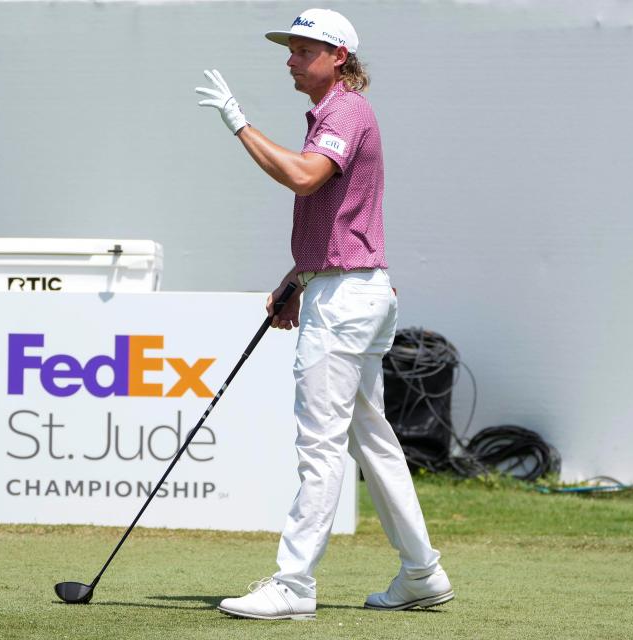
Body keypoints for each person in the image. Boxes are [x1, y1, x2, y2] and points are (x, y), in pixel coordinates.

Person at [195, 8, 454, 621]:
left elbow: (305, 179)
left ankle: (293, 585)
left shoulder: (345, 111)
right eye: (289, 48)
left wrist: (237, 122)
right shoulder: (332, 112)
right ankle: (422, 572)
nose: (290, 58)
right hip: (349, 289)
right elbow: (336, 217)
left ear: (339, 56)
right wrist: (299, 275)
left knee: (320, 446)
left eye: (303, 49)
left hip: (346, 303)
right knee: (373, 441)